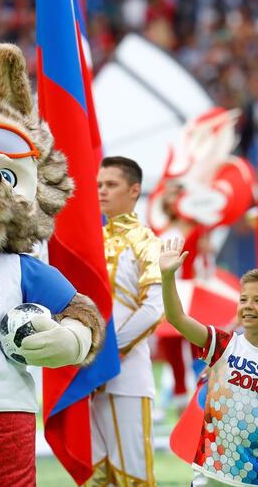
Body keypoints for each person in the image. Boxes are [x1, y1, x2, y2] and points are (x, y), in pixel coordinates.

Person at [159, 238, 258, 487]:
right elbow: (176, 318)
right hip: (209, 473)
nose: (248, 306)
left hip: (257, 478)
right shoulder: (223, 344)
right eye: (244, 299)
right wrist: (167, 277)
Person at [90, 156, 164, 487]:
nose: (102, 192)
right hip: (84, 374)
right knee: (94, 474)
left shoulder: (148, 241)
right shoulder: (88, 242)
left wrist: (107, 352)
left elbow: (153, 308)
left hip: (126, 376)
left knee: (131, 476)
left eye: (111, 185)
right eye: (98, 185)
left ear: (135, 190)